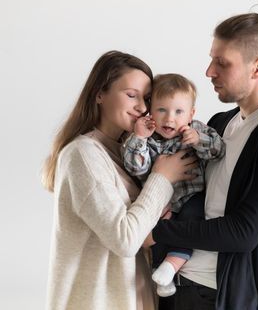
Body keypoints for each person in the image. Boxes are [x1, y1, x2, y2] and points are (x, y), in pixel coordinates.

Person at [147, 5, 258, 310]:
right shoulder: (218, 125)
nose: (209, 71)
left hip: (232, 298)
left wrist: (153, 231)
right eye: (212, 59)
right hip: (179, 289)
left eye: (222, 63)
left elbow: (243, 233)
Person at [42, 51, 197, 310]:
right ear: (100, 94)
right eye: (131, 95)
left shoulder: (130, 155)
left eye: (147, 98)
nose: (143, 107)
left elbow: (143, 237)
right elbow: (125, 239)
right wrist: (162, 178)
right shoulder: (83, 153)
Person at [122, 73, 225, 297]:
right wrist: (139, 138)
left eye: (178, 112)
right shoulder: (147, 138)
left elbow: (218, 150)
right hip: (161, 202)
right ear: (150, 111)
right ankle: (162, 275)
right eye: (162, 110)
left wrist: (198, 140)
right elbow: (136, 168)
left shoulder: (196, 130)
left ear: (191, 114)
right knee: (158, 233)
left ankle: (171, 267)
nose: (169, 119)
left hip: (191, 198)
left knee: (190, 222)